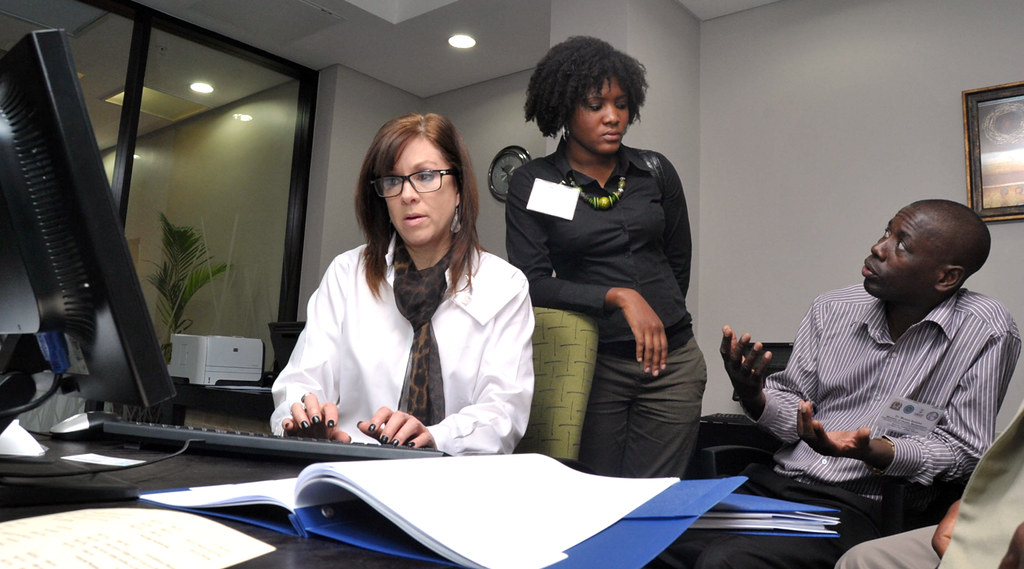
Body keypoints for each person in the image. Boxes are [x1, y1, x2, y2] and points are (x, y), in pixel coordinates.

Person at [650, 199, 1020, 569]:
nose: (879, 246)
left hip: (868, 506)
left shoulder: (986, 330)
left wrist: (874, 452)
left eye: (901, 244)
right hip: (779, 485)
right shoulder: (832, 308)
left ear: (946, 278)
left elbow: (963, 450)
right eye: (887, 231)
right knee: (646, 534)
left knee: (727, 560)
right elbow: (796, 406)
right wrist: (756, 396)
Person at [270, 113, 535, 455]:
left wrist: (436, 435)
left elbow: (504, 412)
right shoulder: (347, 273)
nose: (407, 194)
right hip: (349, 466)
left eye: (426, 176)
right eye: (393, 181)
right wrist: (303, 422)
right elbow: (300, 381)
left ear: (458, 190)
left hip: (454, 477)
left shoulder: (504, 285)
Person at [504, 36, 707, 479]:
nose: (613, 117)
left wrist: (658, 313)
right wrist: (618, 296)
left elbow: (677, 262)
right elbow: (532, 283)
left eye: (620, 103)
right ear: (563, 110)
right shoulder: (533, 183)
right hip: (593, 364)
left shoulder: (654, 171)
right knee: (593, 494)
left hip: (673, 362)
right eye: (595, 105)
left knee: (654, 498)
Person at [835, 396, 1024, 569]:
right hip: (1009, 513)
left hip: (866, 500)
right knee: (861, 561)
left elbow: (964, 448)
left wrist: (880, 452)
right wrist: (981, 501)